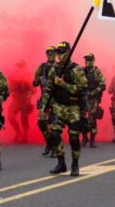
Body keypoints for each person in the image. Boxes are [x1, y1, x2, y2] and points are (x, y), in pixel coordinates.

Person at [41, 41, 88, 176]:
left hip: (73, 108)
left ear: (68, 52)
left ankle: (75, 164)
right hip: (59, 107)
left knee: (74, 138)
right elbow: (48, 89)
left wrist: (64, 84)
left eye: (62, 52)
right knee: (54, 134)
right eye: (58, 52)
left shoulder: (76, 69)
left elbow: (81, 89)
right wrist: (44, 107)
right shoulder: (54, 69)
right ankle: (61, 163)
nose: (59, 55)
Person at [33, 46, 57, 157]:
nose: (50, 55)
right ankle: (49, 142)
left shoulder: (59, 67)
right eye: (48, 53)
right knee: (41, 122)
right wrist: (38, 80)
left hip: (56, 99)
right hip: (44, 99)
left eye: (52, 53)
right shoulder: (42, 67)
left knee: (53, 123)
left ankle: (55, 148)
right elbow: (35, 82)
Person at [7, 60, 36, 143]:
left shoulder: (28, 76)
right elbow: (10, 89)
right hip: (16, 99)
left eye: (21, 66)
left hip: (25, 100)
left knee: (24, 119)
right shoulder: (13, 76)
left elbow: (33, 89)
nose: (19, 68)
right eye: (18, 66)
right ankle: (18, 133)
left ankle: (24, 136)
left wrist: (28, 96)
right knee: (10, 116)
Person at [81, 53, 106, 148]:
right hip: (83, 98)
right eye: (86, 60)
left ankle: (92, 139)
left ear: (93, 61)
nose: (87, 62)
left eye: (89, 60)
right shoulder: (81, 71)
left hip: (92, 99)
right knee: (81, 119)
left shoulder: (97, 72)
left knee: (92, 119)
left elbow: (103, 85)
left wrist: (93, 93)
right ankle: (84, 137)